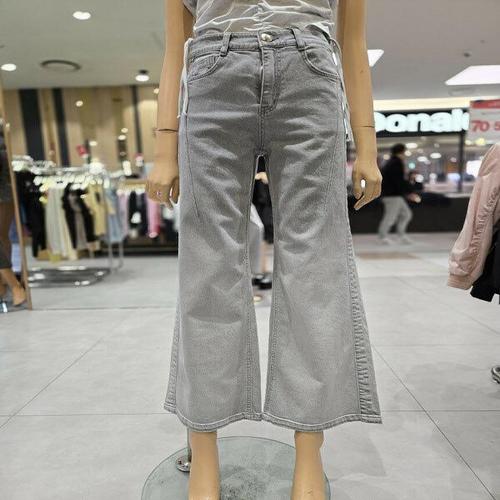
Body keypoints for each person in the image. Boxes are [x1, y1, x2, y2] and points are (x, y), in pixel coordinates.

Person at [146, 0, 382, 498]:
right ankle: (204, 452)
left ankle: (309, 452)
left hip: (310, 70)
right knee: (207, 272)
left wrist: (367, 143)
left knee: (315, 269)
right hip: (212, 71)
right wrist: (165, 145)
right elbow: (175, 45)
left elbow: (353, 38)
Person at [378, 143, 421, 244]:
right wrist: (409, 192)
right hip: (392, 195)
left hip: (395, 195)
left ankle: (401, 235)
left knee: (406, 214)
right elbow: (398, 181)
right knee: (390, 217)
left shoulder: (392, 162)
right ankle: (383, 237)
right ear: (402, 152)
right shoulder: (396, 163)